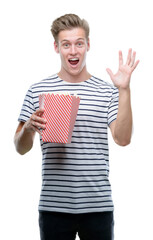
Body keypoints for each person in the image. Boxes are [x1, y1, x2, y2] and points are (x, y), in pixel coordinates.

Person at [14, 13, 139, 240]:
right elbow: (20, 147)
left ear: (88, 45)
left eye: (79, 44)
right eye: (66, 44)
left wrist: (124, 90)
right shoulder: (37, 90)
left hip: (98, 206)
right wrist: (29, 128)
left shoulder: (106, 91)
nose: (73, 51)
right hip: (53, 207)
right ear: (56, 47)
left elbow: (122, 139)